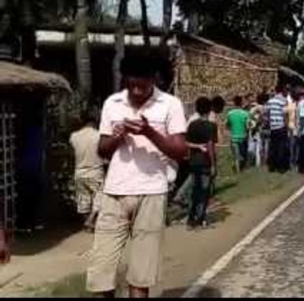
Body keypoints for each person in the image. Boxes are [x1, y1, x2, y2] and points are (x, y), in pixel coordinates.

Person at [87, 51, 188, 298]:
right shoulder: (112, 103)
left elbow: (180, 151)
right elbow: (102, 150)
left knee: (140, 274)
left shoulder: (170, 104)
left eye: (142, 85)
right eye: (131, 84)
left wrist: (149, 132)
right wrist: (118, 135)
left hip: (152, 193)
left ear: (154, 79)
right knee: (101, 272)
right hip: (114, 192)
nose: (136, 90)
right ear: (125, 79)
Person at [69, 109, 106, 232]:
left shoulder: (74, 136)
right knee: (100, 197)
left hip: (79, 172)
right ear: (96, 121)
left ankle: (88, 224)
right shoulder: (99, 136)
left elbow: (72, 153)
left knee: (83, 199)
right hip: (96, 171)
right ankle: (91, 219)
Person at [186, 97, 217, 229]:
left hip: (193, 162)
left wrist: (196, 147)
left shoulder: (192, 125)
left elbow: (186, 143)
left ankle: (191, 218)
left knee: (194, 190)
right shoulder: (211, 126)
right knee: (204, 191)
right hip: (205, 162)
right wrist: (213, 164)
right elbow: (210, 146)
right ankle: (201, 218)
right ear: (209, 109)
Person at [266, 84, 289, 173]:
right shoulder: (283, 101)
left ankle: (272, 166)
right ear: (281, 91)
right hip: (281, 126)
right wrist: (286, 126)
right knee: (281, 147)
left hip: (273, 127)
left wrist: (269, 123)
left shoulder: (270, 101)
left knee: (273, 147)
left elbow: (268, 113)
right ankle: (281, 167)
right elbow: (285, 114)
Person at [226, 96, 250, 171]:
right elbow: (247, 126)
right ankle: (244, 165)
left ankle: (238, 169)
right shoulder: (245, 113)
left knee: (235, 156)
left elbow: (227, 125)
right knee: (244, 152)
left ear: (234, 103)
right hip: (243, 137)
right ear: (241, 103)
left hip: (233, 137)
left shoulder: (229, 113)